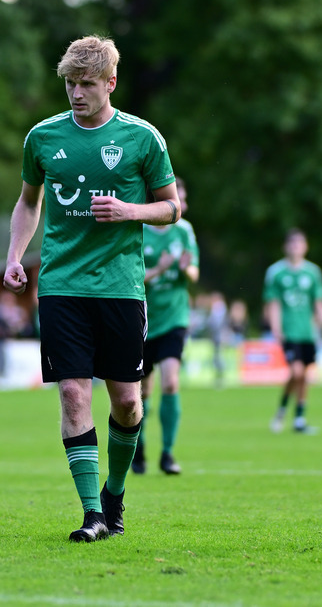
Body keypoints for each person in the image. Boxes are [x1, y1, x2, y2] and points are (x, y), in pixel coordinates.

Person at [3, 35, 180, 542]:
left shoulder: (143, 139)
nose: (76, 93)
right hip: (62, 285)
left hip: (122, 288)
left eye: (86, 84)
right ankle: (91, 515)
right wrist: (14, 256)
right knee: (74, 394)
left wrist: (129, 211)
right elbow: (28, 203)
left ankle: (114, 496)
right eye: (69, 84)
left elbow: (171, 209)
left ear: (111, 83)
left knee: (127, 402)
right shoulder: (42, 137)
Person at [132, 178, 199, 476]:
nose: (180, 204)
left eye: (182, 198)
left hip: (174, 318)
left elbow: (194, 273)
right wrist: (159, 268)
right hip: (142, 320)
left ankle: (168, 454)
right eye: (176, 198)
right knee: (141, 393)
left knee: (171, 382)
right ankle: (139, 450)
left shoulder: (184, 231)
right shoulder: (140, 229)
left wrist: (186, 268)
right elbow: (130, 278)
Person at [263, 228, 322, 435]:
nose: (296, 247)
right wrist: (276, 327)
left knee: (304, 375)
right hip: (289, 332)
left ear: (305, 247)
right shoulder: (276, 272)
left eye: (300, 243)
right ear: (285, 246)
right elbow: (274, 303)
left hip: (308, 332)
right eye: (292, 243)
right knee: (296, 371)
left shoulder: (313, 272)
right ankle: (281, 411)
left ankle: (298, 418)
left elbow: (319, 303)